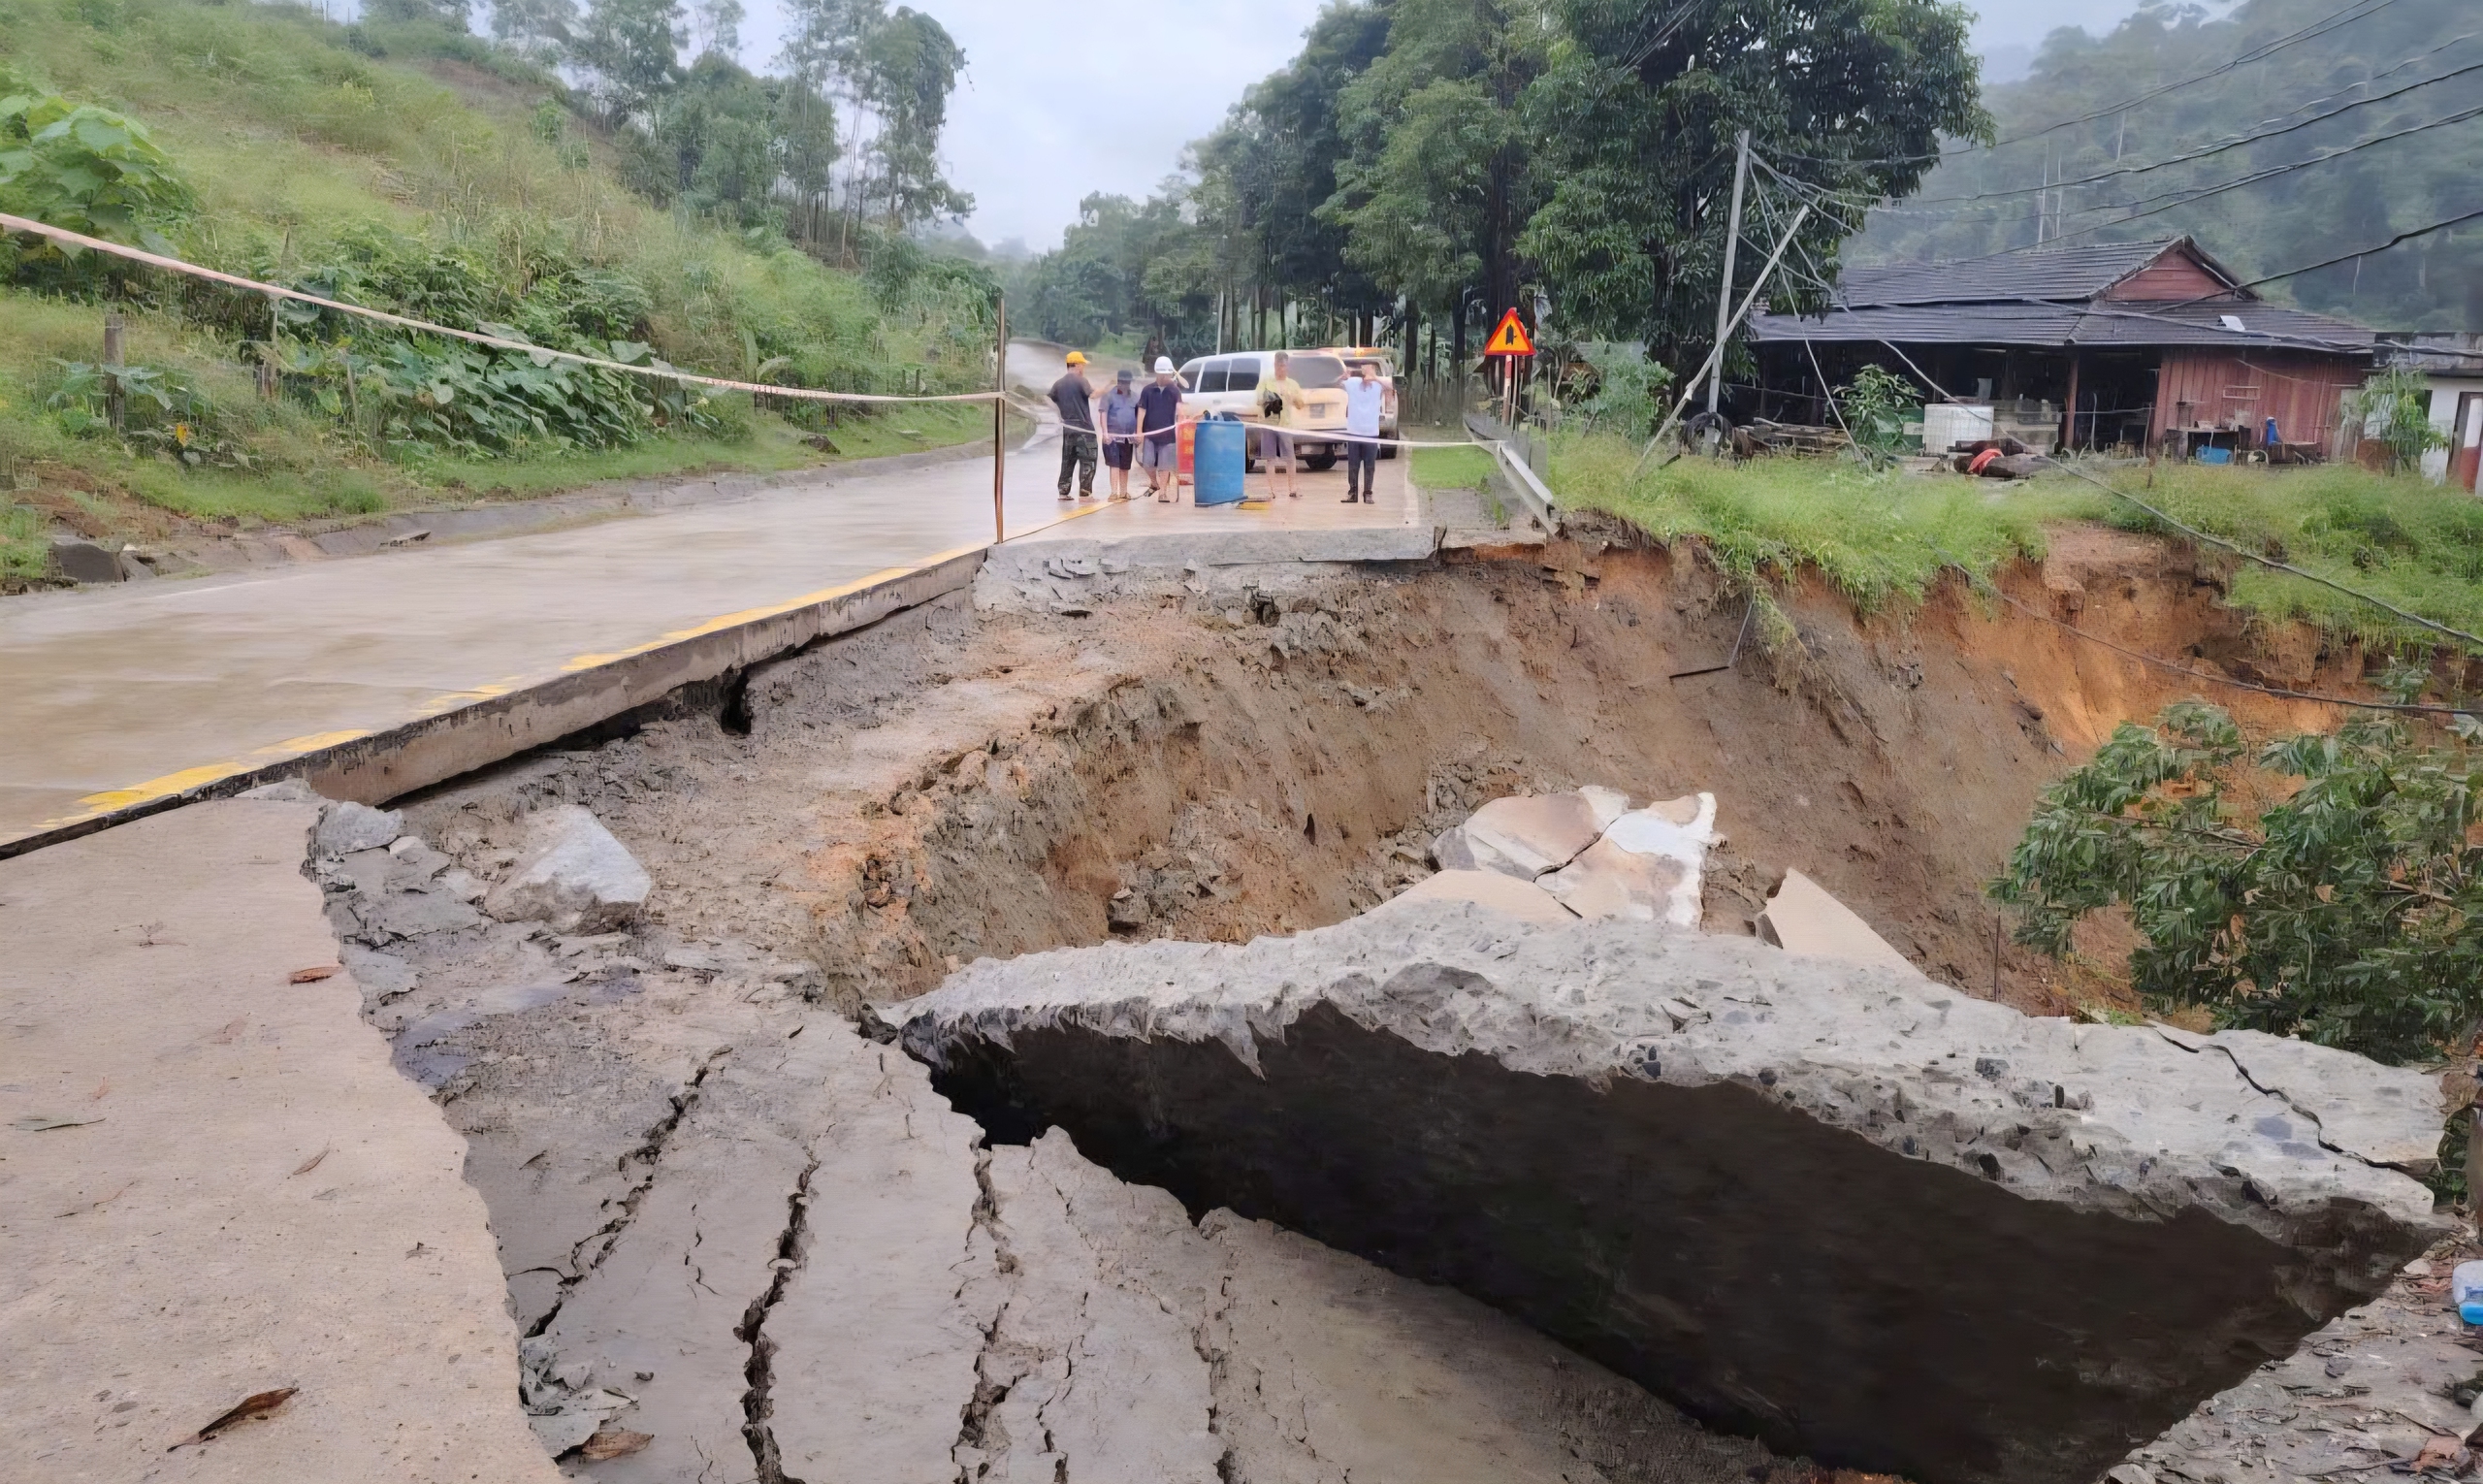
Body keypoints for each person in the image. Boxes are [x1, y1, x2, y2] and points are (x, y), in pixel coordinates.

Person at [1048, 350, 1098, 501]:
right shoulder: (1081, 380)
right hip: (1084, 428)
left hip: (1068, 428)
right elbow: (1093, 395)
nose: (1083, 368)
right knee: (1088, 458)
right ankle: (1085, 492)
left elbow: (1049, 400)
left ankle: (1063, 492)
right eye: (1082, 365)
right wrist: (1108, 387)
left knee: (1068, 459)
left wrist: (1059, 415)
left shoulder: (1058, 383)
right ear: (1076, 365)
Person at [1135, 356, 1184, 502]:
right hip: (1150, 434)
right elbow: (1141, 411)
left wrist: (1181, 422)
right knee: (1147, 463)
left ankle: (1163, 493)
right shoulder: (1147, 390)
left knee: (1165, 465)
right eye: (1163, 374)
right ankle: (1154, 483)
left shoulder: (1174, 391)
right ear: (1157, 373)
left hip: (1168, 435)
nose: (1165, 376)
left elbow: (1180, 410)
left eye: (1167, 374)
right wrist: (1139, 432)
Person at [1258, 350, 1304, 500]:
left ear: (1287, 366)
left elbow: (1301, 404)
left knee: (1290, 457)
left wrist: (1292, 397)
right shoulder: (1266, 382)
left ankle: (1293, 488)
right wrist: (1271, 398)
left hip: (1285, 425)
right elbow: (1258, 399)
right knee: (1269, 458)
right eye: (1278, 366)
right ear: (1274, 365)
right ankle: (1271, 490)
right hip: (1268, 423)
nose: (1281, 369)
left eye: (1283, 366)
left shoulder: (1292, 384)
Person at [1340, 358, 1384, 503]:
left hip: (1371, 432)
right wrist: (1344, 376)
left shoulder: (1378, 385)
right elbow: (1336, 384)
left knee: (1370, 465)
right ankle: (1352, 492)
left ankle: (1368, 492)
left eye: (1367, 367)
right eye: (1363, 367)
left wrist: (1375, 378)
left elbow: (1396, 385)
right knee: (1353, 464)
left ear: (1373, 368)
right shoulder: (1353, 383)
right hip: (1354, 431)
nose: (1364, 369)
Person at [1099, 367, 1141, 500]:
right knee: (1114, 464)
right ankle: (1113, 492)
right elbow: (1103, 413)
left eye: (1127, 383)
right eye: (1123, 382)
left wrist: (1137, 433)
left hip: (1128, 437)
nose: (1125, 385)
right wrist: (1105, 433)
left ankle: (1123, 492)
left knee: (1125, 466)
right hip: (1112, 436)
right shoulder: (1109, 396)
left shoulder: (1135, 397)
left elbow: (1139, 415)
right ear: (1118, 382)